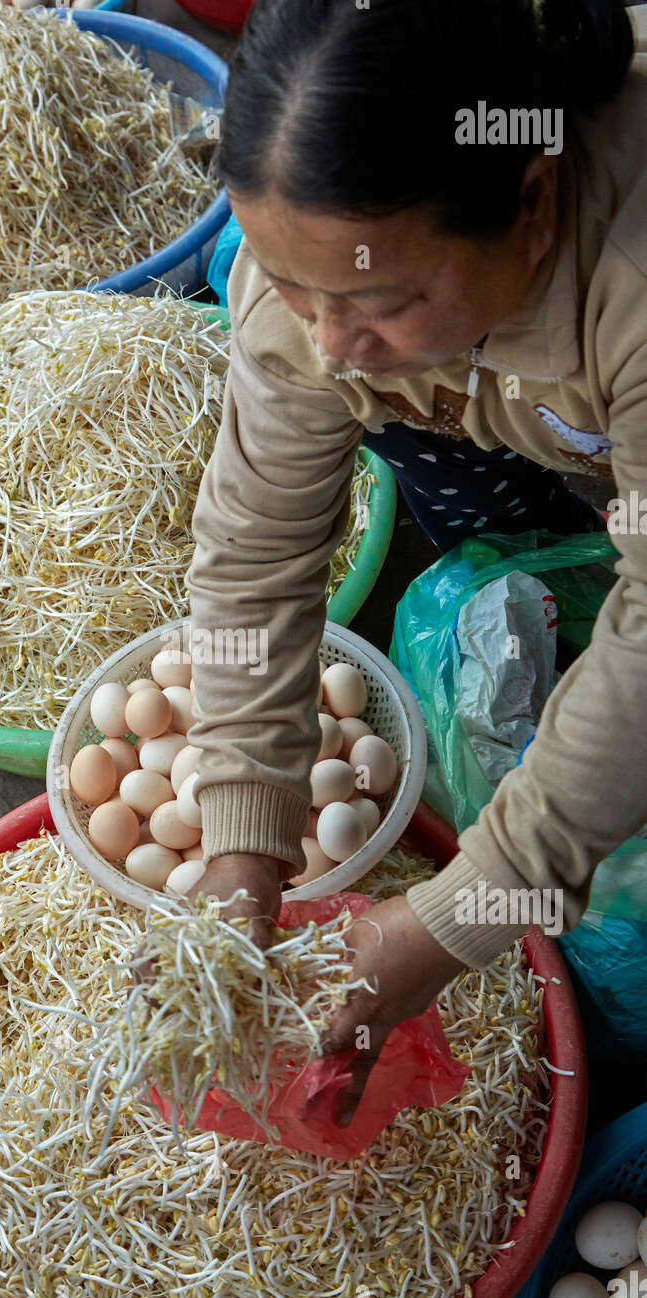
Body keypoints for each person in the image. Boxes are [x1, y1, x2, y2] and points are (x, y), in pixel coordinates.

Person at [186, 0, 647, 1123]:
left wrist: (470, 908)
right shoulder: (319, 291)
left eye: (379, 303)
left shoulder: (628, 286)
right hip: (525, 387)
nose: (331, 343)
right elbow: (254, 561)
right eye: (298, 292)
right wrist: (244, 830)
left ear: (531, 203)